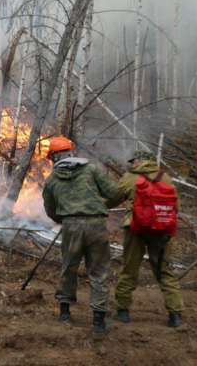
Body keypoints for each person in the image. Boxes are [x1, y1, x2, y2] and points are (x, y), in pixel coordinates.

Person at [42, 136, 120, 335]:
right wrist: (99, 207)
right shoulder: (92, 169)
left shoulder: (51, 179)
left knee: (69, 267)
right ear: (71, 151)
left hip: (71, 226)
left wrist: (66, 221)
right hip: (96, 225)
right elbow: (115, 193)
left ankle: (65, 313)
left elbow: (50, 210)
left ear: (53, 157)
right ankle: (99, 321)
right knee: (98, 271)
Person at [112, 150, 184, 328]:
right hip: (161, 231)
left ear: (138, 161)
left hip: (134, 229)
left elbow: (112, 199)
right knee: (165, 271)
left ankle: (123, 312)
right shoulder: (165, 177)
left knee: (129, 269)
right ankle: (175, 315)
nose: (132, 164)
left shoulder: (129, 177)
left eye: (133, 161)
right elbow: (177, 206)